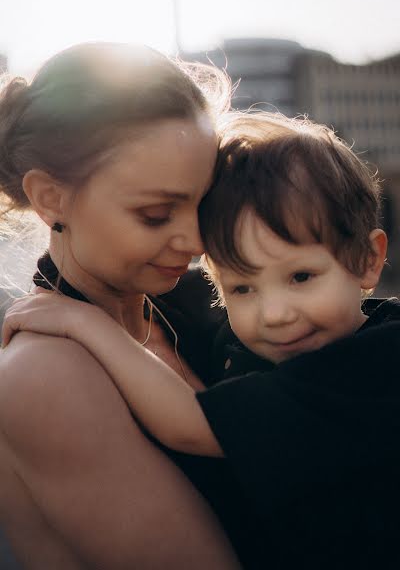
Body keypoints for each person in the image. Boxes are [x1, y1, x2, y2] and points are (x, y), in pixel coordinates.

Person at [5, 112, 400, 569]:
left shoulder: (376, 361)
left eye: (301, 276)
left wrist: (82, 324)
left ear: (370, 260)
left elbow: (189, 424)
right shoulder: (228, 332)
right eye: (241, 289)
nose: (274, 314)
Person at [0, 42, 247, 570]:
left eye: (204, 203)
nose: (196, 241)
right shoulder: (42, 376)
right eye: (156, 214)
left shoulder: (193, 306)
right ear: (50, 198)